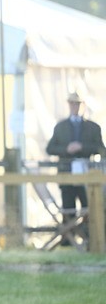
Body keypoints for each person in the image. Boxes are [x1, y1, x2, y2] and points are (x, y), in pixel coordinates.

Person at [45, 90, 106, 244]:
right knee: (68, 204)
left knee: (88, 205)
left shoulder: (93, 127)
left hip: (86, 172)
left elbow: (100, 149)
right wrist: (67, 149)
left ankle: (89, 237)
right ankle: (68, 238)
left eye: (77, 103)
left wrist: (82, 147)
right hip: (67, 171)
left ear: (82, 105)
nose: (74, 106)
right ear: (68, 105)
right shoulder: (61, 127)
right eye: (72, 103)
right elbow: (50, 148)